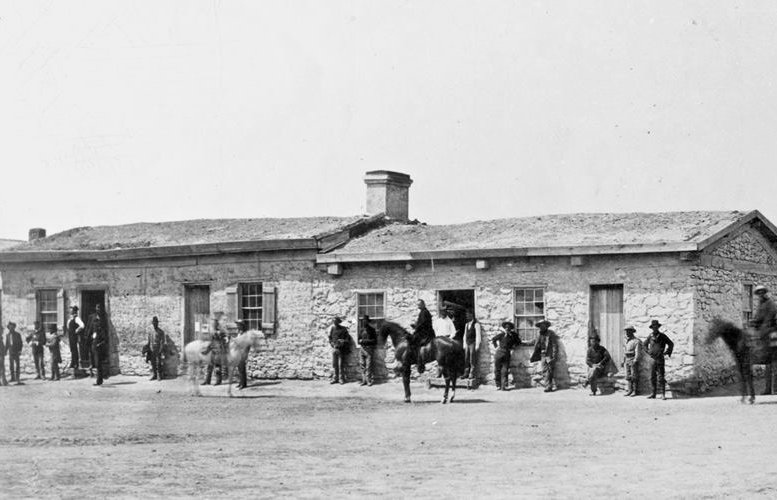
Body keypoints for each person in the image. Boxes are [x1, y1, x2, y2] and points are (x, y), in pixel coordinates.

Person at [751, 285, 777, 395]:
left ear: (765, 293)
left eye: (762, 292)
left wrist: (760, 325)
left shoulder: (770, 304)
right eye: (759, 293)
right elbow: (757, 318)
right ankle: (767, 389)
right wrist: (753, 323)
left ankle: (775, 389)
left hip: (772, 333)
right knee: (768, 364)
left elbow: (769, 319)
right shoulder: (761, 305)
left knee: (775, 362)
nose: (761, 295)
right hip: (764, 333)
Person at [643, 319, 674, 400]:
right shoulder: (650, 336)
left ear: (658, 327)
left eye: (656, 326)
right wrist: (648, 351)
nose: (655, 328)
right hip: (652, 359)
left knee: (661, 377)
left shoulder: (662, 336)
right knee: (652, 377)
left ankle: (663, 394)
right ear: (652, 328)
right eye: (653, 327)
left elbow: (671, 343)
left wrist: (667, 352)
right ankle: (653, 393)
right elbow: (644, 344)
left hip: (660, 359)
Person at [530, 320, 558, 392]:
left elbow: (554, 345)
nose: (541, 327)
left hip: (549, 354)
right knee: (545, 370)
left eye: (543, 325)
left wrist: (554, 355)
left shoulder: (550, 334)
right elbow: (535, 342)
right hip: (542, 354)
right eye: (540, 326)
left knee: (549, 370)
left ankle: (549, 386)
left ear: (546, 326)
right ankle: (548, 386)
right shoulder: (539, 334)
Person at [492, 321, 521, 390]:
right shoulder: (501, 335)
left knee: (505, 370)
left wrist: (514, 346)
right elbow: (493, 339)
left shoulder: (513, 335)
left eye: (509, 328)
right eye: (506, 327)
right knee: (497, 369)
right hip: (499, 352)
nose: (507, 329)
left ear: (511, 328)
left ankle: (503, 386)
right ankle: (498, 384)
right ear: (504, 328)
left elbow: (519, 342)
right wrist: (496, 347)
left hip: (507, 353)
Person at [408, 299, 435, 373]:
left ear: (423, 304)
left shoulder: (425, 312)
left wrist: (416, 327)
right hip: (423, 332)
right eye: (417, 305)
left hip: (425, 333)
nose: (418, 306)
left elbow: (423, 323)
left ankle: (419, 362)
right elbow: (421, 323)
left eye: (419, 304)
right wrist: (416, 325)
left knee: (413, 342)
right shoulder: (423, 312)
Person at [202, 313, 228, 386]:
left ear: (217, 324)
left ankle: (218, 381)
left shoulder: (220, 332)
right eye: (212, 324)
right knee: (209, 367)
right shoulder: (212, 332)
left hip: (218, 351)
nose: (213, 325)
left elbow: (224, 342)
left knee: (217, 367)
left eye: (214, 324)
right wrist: (207, 350)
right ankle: (207, 381)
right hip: (213, 351)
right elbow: (211, 343)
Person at [84, 304, 107, 377]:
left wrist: (103, 340)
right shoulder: (92, 317)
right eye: (97, 308)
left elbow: (104, 330)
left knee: (98, 358)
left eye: (100, 308)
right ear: (95, 308)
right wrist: (87, 337)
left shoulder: (103, 318)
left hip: (99, 341)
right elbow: (88, 327)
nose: (99, 309)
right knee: (91, 354)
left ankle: (99, 375)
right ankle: (91, 368)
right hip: (92, 339)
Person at [328, 317, 350, 384]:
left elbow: (348, 339)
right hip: (334, 348)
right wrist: (332, 343)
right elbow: (330, 338)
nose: (334, 323)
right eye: (333, 321)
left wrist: (343, 341)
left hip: (341, 349)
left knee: (341, 364)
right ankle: (335, 378)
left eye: (336, 321)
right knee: (334, 364)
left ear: (338, 322)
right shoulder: (332, 328)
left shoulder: (343, 329)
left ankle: (341, 379)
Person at [358, 315, 378, 386]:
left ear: (368, 321)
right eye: (363, 321)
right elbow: (359, 340)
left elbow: (375, 341)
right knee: (362, 365)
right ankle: (364, 381)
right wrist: (360, 341)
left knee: (368, 366)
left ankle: (369, 380)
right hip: (362, 349)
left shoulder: (372, 330)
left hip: (369, 349)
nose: (364, 322)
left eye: (365, 321)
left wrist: (364, 341)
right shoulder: (361, 330)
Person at [462, 310, 482, 380]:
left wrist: (477, 345)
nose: (467, 316)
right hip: (467, 343)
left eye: (468, 315)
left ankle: (472, 373)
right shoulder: (466, 324)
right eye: (466, 315)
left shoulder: (476, 324)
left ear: (472, 315)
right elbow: (465, 335)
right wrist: (464, 344)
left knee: (472, 358)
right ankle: (466, 372)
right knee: (466, 358)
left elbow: (478, 335)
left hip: (473, 343)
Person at [623, 326, 642, 397]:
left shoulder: (636, 341)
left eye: (628, 331)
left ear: (632, 332)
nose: (627, 333)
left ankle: (635, 391)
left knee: (634, 375)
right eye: (626, 331)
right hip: (627, 359)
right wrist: (623, 360)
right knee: (628, 376)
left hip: (632, 358)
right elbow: (625, 351)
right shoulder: (627, 341)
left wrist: (635, 360)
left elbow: (637, 351)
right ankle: (629, 390)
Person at [90, 312, 108, 386]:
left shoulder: (101, 332)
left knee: (98, 364)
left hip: (98, 348)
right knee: (96, 364)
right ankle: (99, 380)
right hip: (94, 348)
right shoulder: (94, 333)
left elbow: (104, 340)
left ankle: (99, 380)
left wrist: (98, 345)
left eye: (96, 325)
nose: (95, 326)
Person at [66, 306, 85, 370]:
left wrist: (77, 330)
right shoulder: (70, 319)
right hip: (70, 335)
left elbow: (82, 325)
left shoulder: (77, 318)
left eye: (72, 310)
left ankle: (75, 364)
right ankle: (73, 362)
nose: (70, 311)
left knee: (74, 349)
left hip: (74, 336)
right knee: (72, 349)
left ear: (74, 311)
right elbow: (68, 327)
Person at [148, 316, 165, 381]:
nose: (155, 324)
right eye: (154, 323)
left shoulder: (161, 332)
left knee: (158, 363)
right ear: (152, 323)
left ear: (158, 323)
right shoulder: (150, 331)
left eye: (156, 323)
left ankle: (159, 375)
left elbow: (162, 341)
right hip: (152, 349)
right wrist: (149, 347)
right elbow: (149, 340)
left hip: (158, 349)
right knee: (153, 362)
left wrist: (161, 349)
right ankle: (154, 375)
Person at [234, 319, 249, 390]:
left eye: (238, 325)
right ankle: (241, 382)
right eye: (237, 325)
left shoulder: (245, 334)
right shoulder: (239, 332)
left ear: (242, 326)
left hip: (242, 352)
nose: (237, 326)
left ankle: (243, 384)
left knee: (242, 368)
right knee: (240, 368)